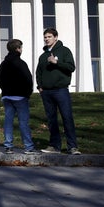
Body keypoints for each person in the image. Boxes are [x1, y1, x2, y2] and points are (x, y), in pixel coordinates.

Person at [35, 27, 80, 155]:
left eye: (49, 37)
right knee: (51, 119)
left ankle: (72, 147)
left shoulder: (65, 51)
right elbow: (39, 72)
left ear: (56, 37)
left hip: (61, 90)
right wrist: (40, 87)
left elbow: (71, 67)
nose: (46, 39)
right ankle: (55, 146)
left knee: (67, 118)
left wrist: (56, 62)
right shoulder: (43, 56)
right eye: (45, 37)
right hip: (47, 92)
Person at [0, 39, 38, 154]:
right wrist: (27, 93)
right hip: (20, 97)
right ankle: (28, 147)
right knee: (23, 122)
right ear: (18, 49)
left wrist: (5, 90)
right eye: (21, 48)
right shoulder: (21, 63)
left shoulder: (3, 64)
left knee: (8, 122)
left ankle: (8, 146)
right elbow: (28, 79)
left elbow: (0, 80)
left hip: (7, 97)